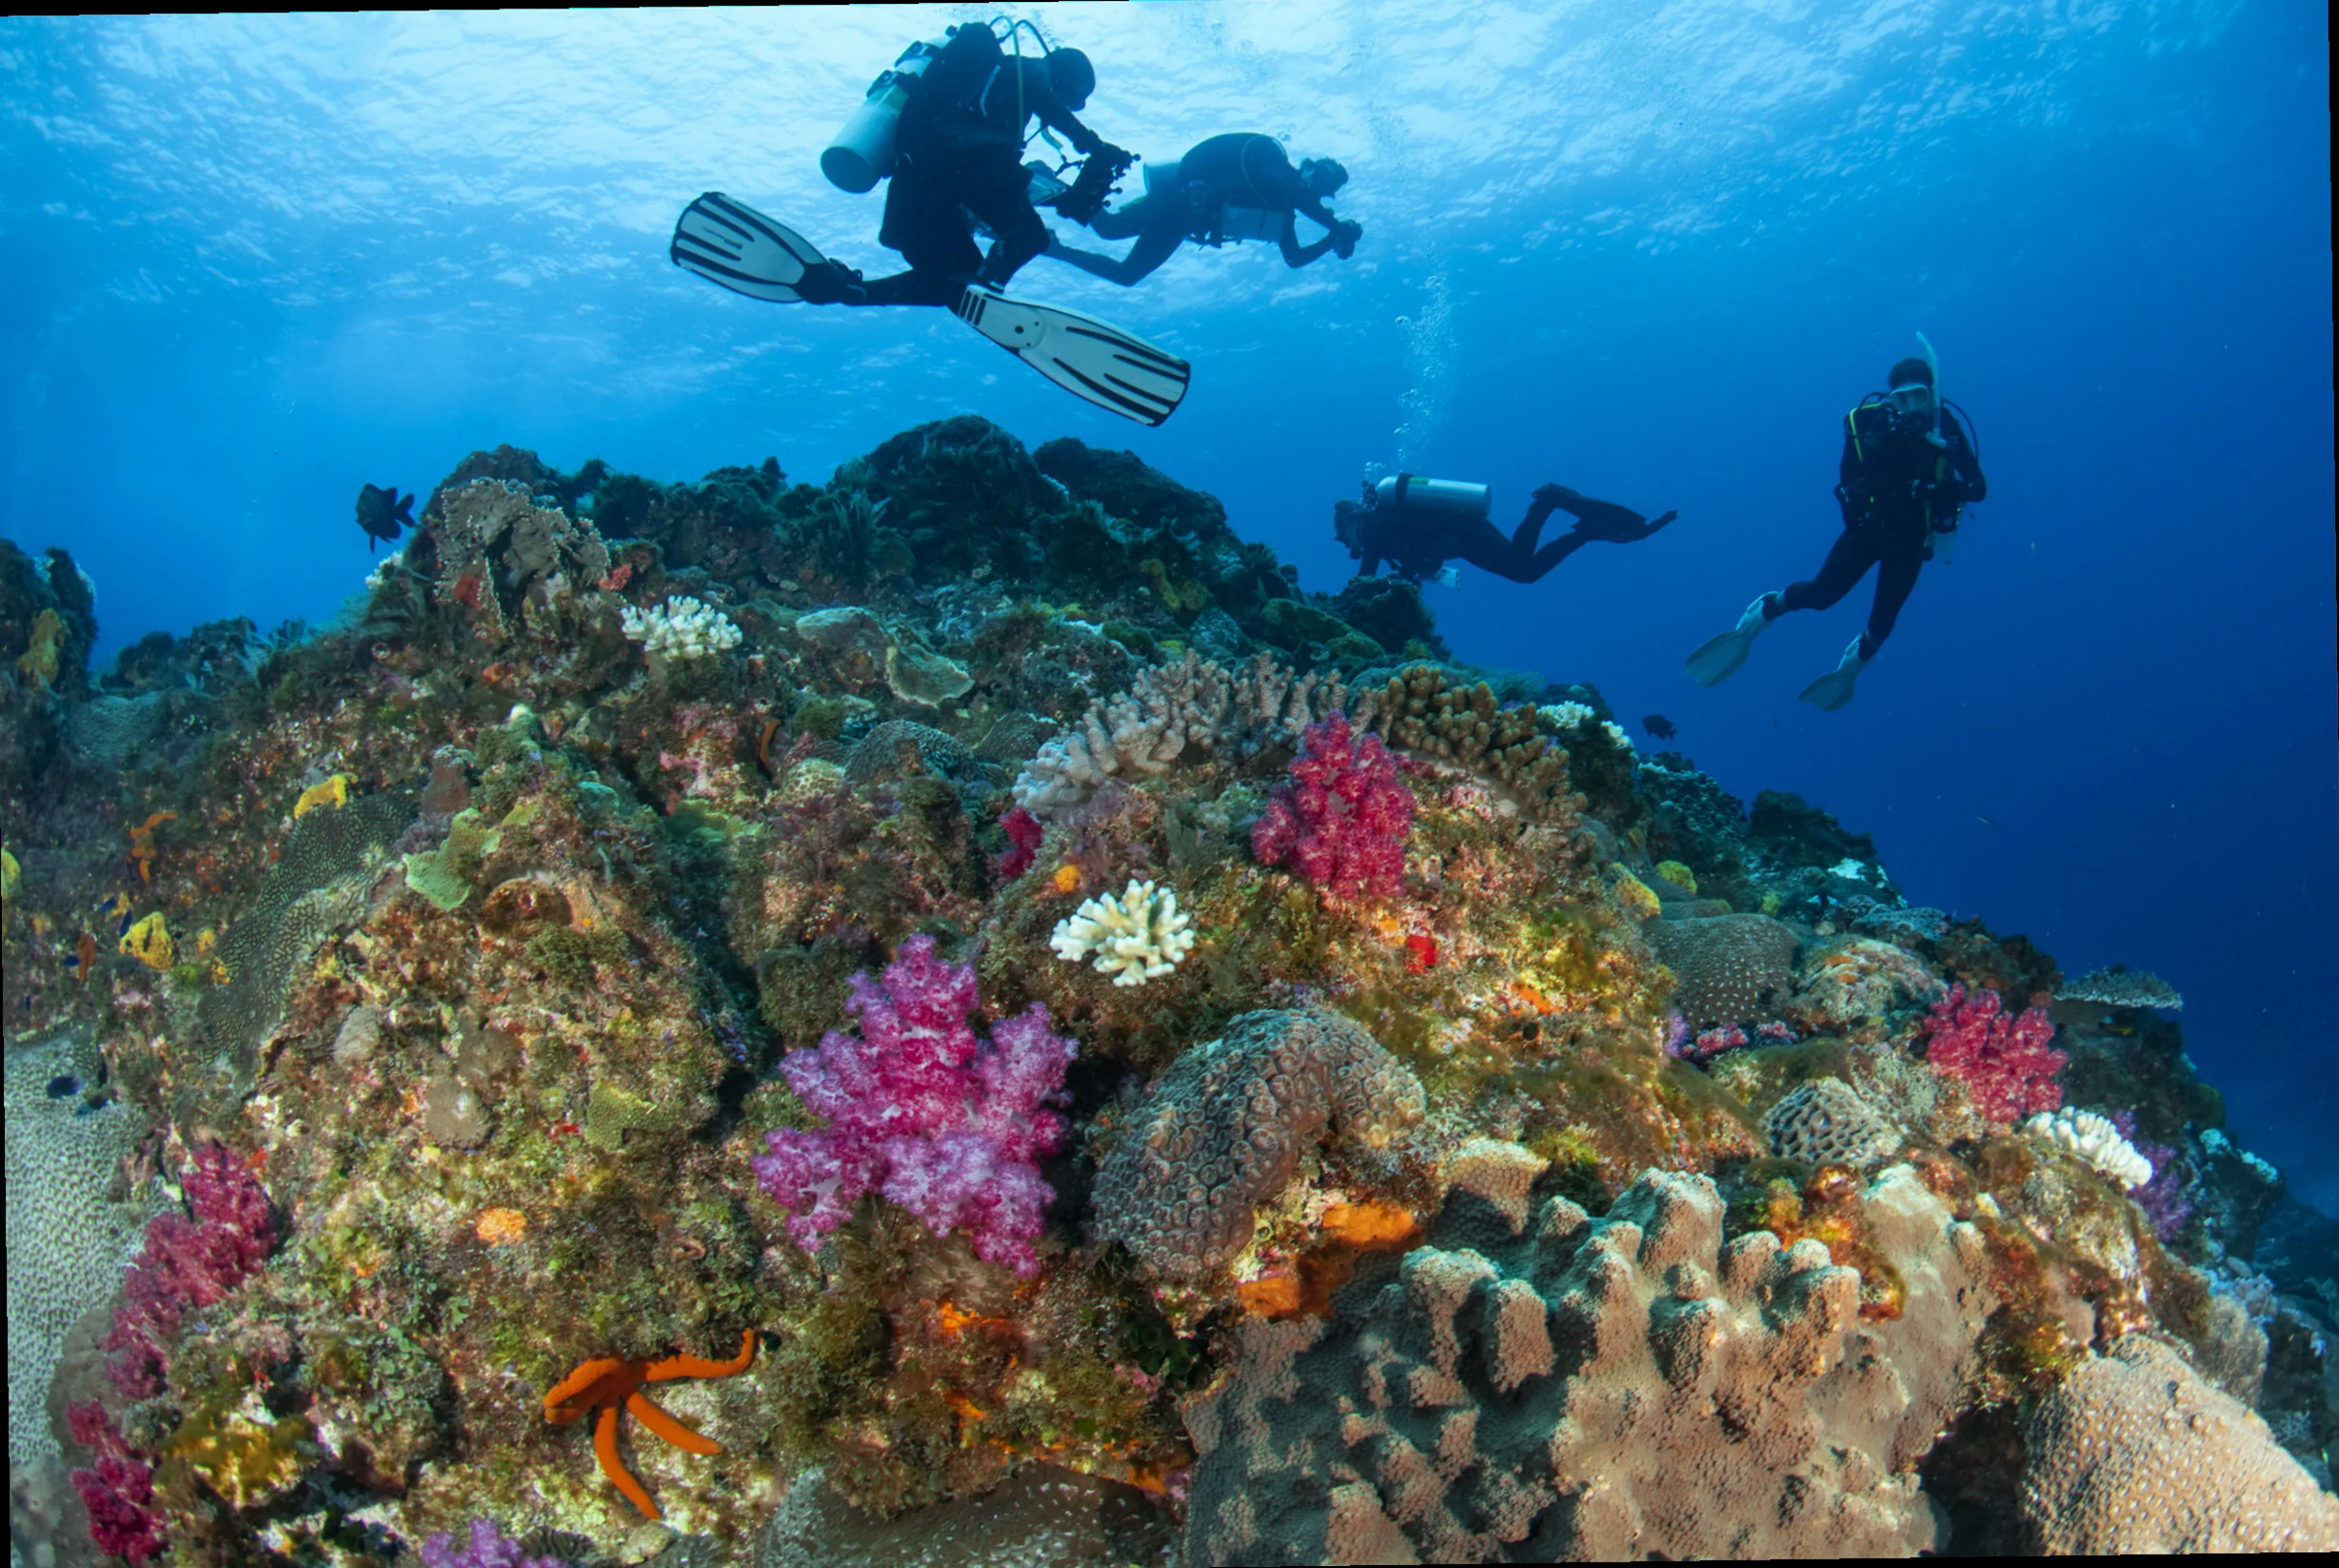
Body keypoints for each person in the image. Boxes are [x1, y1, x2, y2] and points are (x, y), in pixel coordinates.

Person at [1684, 353, 1986, 709]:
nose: (1910, 407)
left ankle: (1850, 668)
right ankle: (1763, 613)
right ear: (1890, 399)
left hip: (1911, 540)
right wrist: (1903, 490)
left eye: (1918, 396)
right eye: (1901, 398)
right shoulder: (1872, 426)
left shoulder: (1946, 429)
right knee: (1821, 596)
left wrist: (1948, 490)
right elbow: (1852, 483)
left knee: (1882, 625)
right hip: (1869, 530)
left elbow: (1978, 488)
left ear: (1932, 396)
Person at [795, 30, 1133, 307]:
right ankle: (991, 282)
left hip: (915, 169)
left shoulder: (988, 95)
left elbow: (1002, 187)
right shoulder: (1031, 69)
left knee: (952, 281)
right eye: (1076, 95)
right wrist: (1094, 145)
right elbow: (1039, 104)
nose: (1073, 104)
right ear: (1065, 77)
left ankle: (850, 291)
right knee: (1029, 236)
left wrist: (1070, 198)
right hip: (961, 157)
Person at [1044, 133, 1362, 286]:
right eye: (1320, 179)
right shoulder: (1274, 165)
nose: (1319, 191)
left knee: (1124, 268)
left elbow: (1294, 259)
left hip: (1184, 224)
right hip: (1178, 200)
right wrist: (1336, 229)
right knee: (1109, 229)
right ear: (1308, 169)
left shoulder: (1283, 213)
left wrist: (1329, 240)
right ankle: (1051, 184)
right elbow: (1297, 192)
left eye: (1326, 190)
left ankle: (1051, 245)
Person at [1335, 477, 1676, 586]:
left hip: (1461, 532)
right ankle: (1583, 531)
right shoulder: (1382, 531)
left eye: (1343, 535)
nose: (1347, 544)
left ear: (1351, 521)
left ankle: (1548, 503)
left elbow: (1363, 583)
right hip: (1462, 534)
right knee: (1523, 570)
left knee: (1520, 566)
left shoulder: (1376, 530)